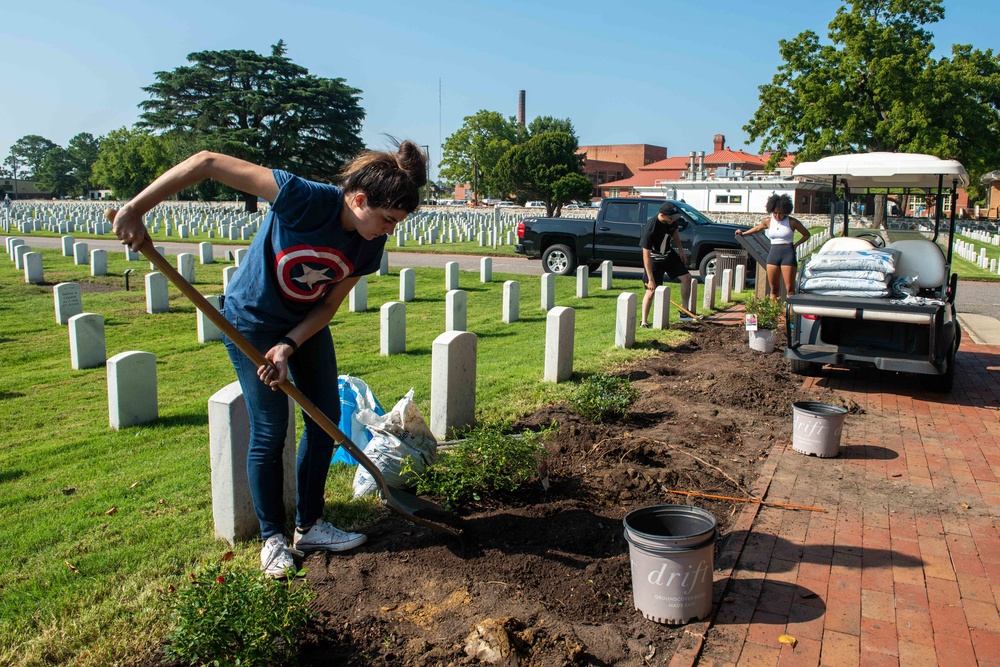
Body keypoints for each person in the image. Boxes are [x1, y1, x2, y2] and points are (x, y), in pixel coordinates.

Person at [113, 142, 427, 577]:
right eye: (387, 219)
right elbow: (207, 162)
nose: (389, 230)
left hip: (303, 327)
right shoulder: (301, 196)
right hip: (251, 321)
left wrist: (289, 345)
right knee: (270, 427)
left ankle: (311, 524)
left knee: (325, 419)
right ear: (358, 200)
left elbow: (328, 306)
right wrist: (135, 208)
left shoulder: (367, 246)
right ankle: (272, 539)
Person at [736, 193, 810, 299]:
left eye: (781, 213)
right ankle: (772, 314)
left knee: (790, 289)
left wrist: (796, 245)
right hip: (774, 253)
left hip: (787, 254)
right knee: (774, 289)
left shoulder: (792, 222)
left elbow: (806, 234)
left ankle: (790, 313)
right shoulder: (768, 221)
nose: (778, 216)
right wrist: (743, 233)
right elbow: (757, 228)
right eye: (775, 213)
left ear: (786, 212)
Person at [639, 201, 693, 327]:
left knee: (687, 277)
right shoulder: (651, 228)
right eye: (671, 218)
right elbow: (646, 255)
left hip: (668, 254)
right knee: (651, 291)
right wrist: (651, 279)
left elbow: (675, 233)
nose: (673, 221)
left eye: (674, 218)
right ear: (662, 215)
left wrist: (680, 250)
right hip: (654, 259)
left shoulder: (671, 221)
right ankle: (644, 322)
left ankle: (684, 313)